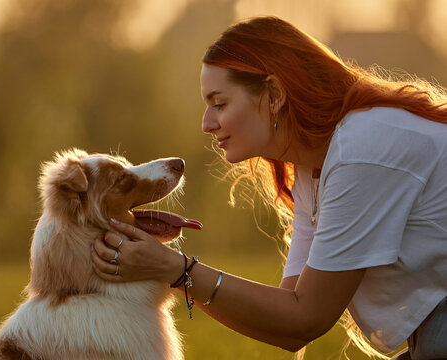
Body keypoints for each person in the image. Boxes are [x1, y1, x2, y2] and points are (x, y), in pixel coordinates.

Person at [91, 16, 447, 359]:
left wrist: (176, 269)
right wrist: (176, 272)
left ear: (274, 93)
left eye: (220, 103)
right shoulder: (314, 169)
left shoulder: (362, 151)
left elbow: (305, 317)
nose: (206, 123)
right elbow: (286, 323)